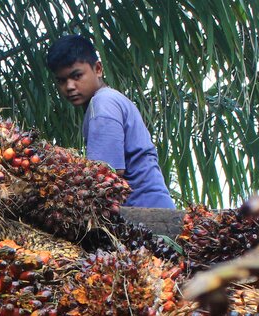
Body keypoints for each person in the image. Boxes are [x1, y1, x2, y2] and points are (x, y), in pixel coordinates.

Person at [45, 35, 175, 209]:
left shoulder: (103, 103)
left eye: (76, 76)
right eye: (61, 81)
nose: (69, 86)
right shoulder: (110, 100)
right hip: (154, 206)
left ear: (98, 69)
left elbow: (104, 175)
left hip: (143, 213)